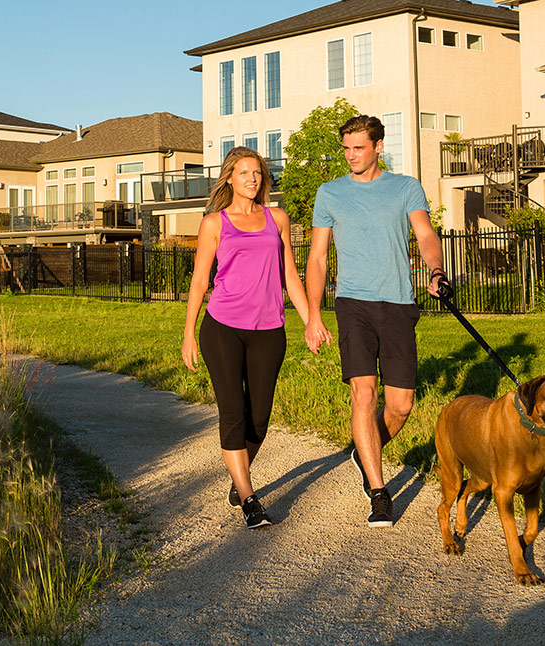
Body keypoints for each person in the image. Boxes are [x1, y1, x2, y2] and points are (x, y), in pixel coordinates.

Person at [304, 115, 447, 528]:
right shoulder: (329, 193)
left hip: (398, 303)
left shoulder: (404, 187)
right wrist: (314, 315)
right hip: (353, 304)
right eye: (346, 148)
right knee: (363, 396)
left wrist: (435, 270)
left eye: (359, 148)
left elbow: (424, 235)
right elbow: (316, 258)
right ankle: (379, 491)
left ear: (379, 146)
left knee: (400, 405)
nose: (351, 156)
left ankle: (364, 451)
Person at [183, 146, 324, 529]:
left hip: (268, 330)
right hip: (223, 328)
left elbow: (290, 277)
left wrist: (312, 320)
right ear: (230, 177)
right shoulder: (215, 223)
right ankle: (248, 497)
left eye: (257, 173)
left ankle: (238, 473)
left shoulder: (277, 218)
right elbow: (199, 281)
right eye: (244, 172)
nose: (252, 179)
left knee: (258, 419)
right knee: (233, 413)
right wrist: (189, 334)